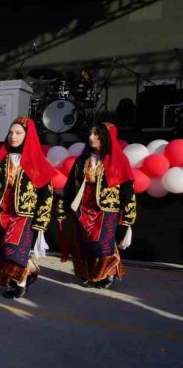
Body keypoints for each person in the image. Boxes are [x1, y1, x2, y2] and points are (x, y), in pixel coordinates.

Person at [0, 117, 55, 299]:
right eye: (11, 133)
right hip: (2, 212)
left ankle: (21, 282)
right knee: (2, 250)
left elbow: (46, 193)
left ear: (27, 136)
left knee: (14, 249)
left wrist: (41, 221)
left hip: (24, 214)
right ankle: (26, 271)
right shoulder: (1, 161)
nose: (13, 136)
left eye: (18, 133)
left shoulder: (36, 161)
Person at [59, 122, 136, 289]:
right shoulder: (82, 159)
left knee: (102, 243)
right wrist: (63, 207)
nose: (91, 138)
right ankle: (93, 274)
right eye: (90, 134)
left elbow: (127, 190)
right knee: (86, 243)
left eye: (96, 134)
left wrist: (128, 216)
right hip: (84, 207)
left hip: (106, 209)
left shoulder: (119, 160)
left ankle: (108, 272)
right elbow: (71, 186)